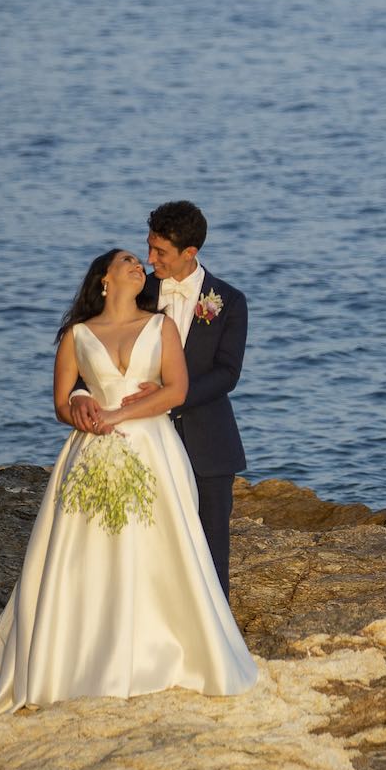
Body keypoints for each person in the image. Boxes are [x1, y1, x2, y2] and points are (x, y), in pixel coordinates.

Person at [0, 248, 258, 736]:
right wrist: (81, 406)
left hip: (154, 451)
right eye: (128, 261)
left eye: (143, 259)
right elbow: (59, 402)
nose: (140, 265)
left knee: (161, 549)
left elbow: (175, 391)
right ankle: (84, 656)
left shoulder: (162, 327)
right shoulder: (77, 334)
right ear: (104, 280)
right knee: (87, 554)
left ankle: (166, 650)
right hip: (89, 454)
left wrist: (114, 416)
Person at [68, 201, 248, 597]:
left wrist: (171, 396)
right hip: (138, 439)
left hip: (208, 439)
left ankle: (218, 639)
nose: (149, 259)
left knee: (211, 539)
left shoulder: (230, 301)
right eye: (147, 247)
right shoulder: (136, 289)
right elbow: (93, 347)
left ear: (190, 253)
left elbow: (227, 373)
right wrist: (80, 393)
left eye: (160, 252)